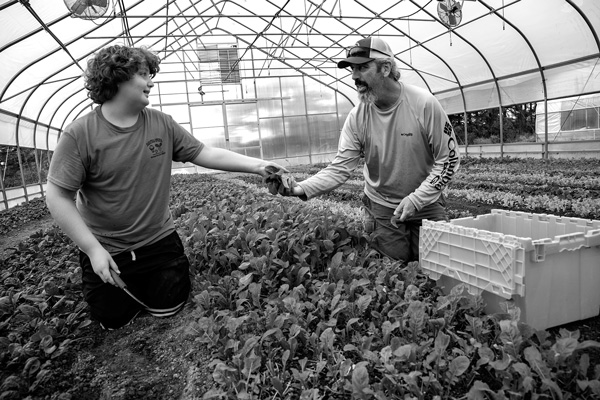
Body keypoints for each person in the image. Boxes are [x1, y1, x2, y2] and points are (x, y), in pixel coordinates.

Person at [46, 45, 288, 330]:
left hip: (158, 242)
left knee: (169, 306)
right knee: (113, 320)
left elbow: (204, 153)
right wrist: (92, 249)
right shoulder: (81, 134)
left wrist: (259, 166)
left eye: (151, 74)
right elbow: (57, 195)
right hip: (107, 248)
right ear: (117, 78)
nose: (151, 81)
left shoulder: (162, 124)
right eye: (144, 74)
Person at [280, 36, 460, 262]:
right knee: (395, 273)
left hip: (427, 203)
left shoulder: (423, 104)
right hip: (383, 208)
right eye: (352, 69)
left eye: (363, 68)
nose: (355, 76)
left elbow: (449, 160)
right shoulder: (358, 116)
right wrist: (300, 188)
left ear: (385, 68)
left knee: (438, 268)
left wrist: (416, 199)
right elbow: (340, 168)